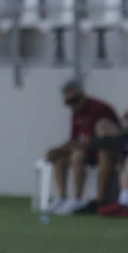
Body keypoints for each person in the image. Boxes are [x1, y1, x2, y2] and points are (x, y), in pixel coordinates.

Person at [44, 80, 122, 215]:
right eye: (68, 103)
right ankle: (61, 198)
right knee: (60, 158)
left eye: (73, 102)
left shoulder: (99, 109)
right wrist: (58, 150)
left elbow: (100, 140)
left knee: (77, 156)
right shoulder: (76, 113)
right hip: (86, 151)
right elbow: (74, 139)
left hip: (103, 152)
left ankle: (77, 199)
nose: (72, 107)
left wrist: (72, 147)